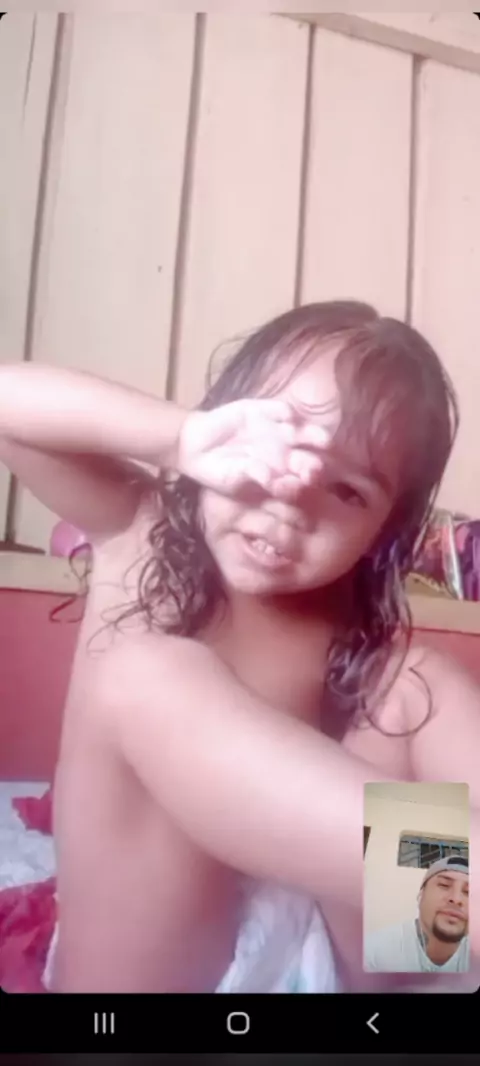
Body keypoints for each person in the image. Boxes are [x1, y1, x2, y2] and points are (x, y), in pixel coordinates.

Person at [1, 300, 479, 994]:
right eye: (268, 451)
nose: (291, 502)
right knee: (144, 673)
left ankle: (446, 919)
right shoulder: (139, 528)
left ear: (381, 533)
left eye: (347, 491)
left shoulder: (339, 626)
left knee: (418, 683)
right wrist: (179, 437)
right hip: (151, 970)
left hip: (317, 960)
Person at [364, 855, 470, 974]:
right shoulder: (372, 954)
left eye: (469, 892)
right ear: (421, 895)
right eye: (444, 885)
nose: (456, 899)